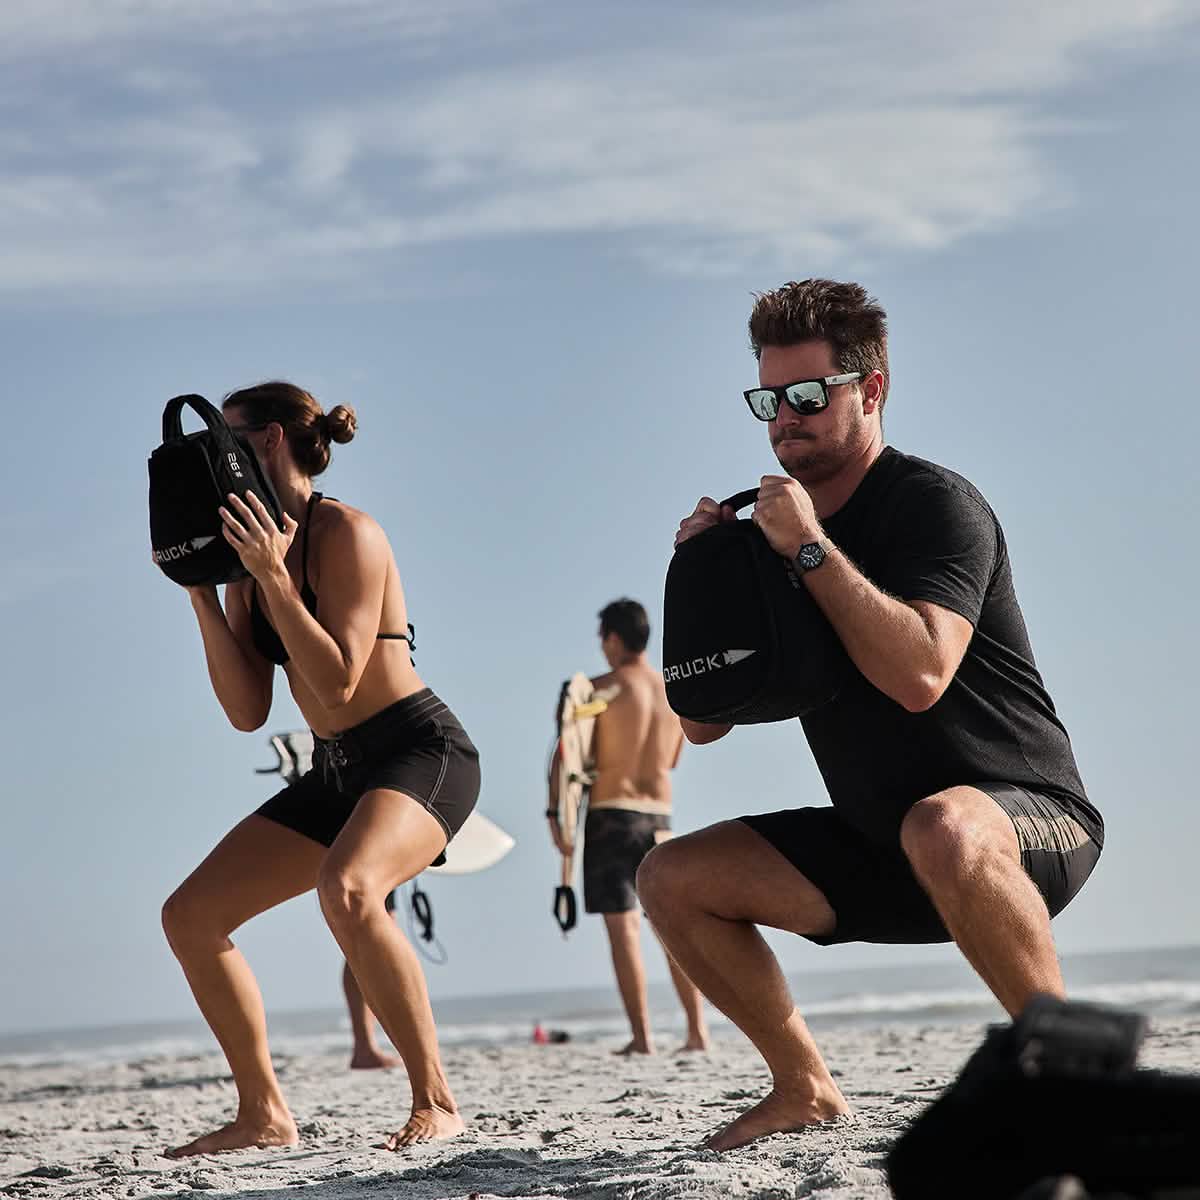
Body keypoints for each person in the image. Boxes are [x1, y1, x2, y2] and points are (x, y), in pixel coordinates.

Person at [639, 279, 1103, 1150]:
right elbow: (703, 723)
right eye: (768, 400)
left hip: (1028, 827)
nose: (786, 418)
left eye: (809, 395)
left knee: (947, 829)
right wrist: (707, 581)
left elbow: (922, 674)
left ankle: (1066, 1079)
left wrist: (810, 548)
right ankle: (803, 1087)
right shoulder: (767, 537)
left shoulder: (933, 504)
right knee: (670, 878)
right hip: (882, 842)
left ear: (871, 389)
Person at [161, 381, 480, 1155]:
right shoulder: (250, 561)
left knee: (349, 889)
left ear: (267, 443)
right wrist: (204, 594)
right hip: (337, 768)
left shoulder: (348, 534)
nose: (212, 467)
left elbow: (338, 678)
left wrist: (273, 577)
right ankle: (263, 1115)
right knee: (191, 918)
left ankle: (436, 1099)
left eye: (224, 446)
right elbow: (248, 711)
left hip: (419, 751)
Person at [548, 599, 709, 1055]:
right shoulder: (672, 693)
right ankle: (697, 1032)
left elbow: (567, 756)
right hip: (660, 817)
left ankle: (642, 1038)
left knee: (625, 933)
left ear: (613, 639)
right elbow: (673, 758)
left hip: (611, 819)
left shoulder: (597, 692)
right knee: (672, 930)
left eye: (603, 639)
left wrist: (557, 819)